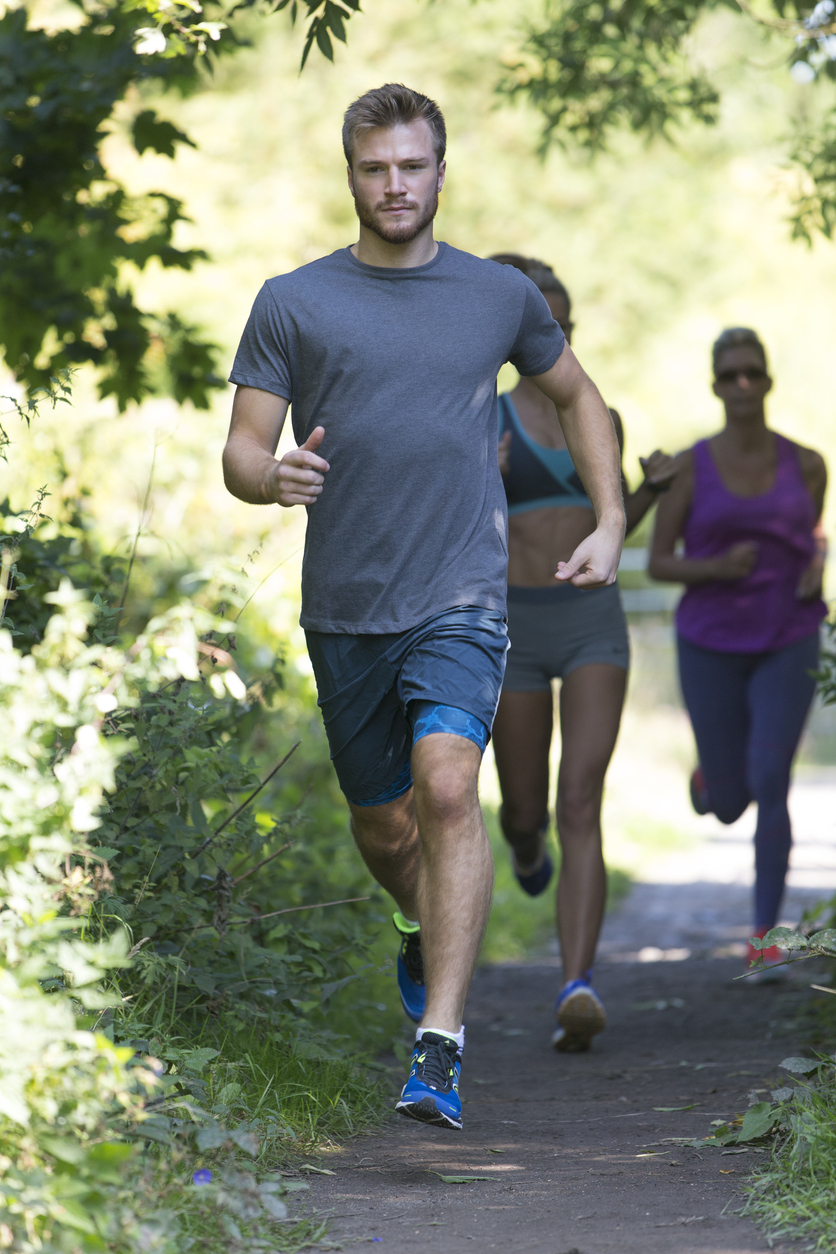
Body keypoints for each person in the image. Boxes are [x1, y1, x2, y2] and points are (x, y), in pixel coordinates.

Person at [222, 83, 625, 1131]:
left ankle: (438, 1044)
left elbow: (577, 397)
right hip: (347, 603)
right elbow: (241, 447)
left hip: (460, 592)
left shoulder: (495, 296)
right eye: (373, 167)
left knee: (448, 789)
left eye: (411, 166)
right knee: (381, 819)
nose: (393, 185)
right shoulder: (293, 300)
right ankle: (416, 920)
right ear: (349, 173)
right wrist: (271, 480)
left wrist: (611, 521)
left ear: (441, 171)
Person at [489, 255, 676, 1050]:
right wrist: (480, 482)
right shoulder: (482, 416)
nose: (552, 331)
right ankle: (523, 845)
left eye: (562, 319)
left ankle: (577, 985)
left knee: (582, 801)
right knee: (528, 810)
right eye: (540, 318)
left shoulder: (598, 412)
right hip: (515, 627)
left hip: (591, 622)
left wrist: (649, 495)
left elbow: (610, 528)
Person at [649, 328, 827, 973]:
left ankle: (764, 937)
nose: (743, 384)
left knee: (771, 780)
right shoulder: (693, 467)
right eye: (731, 375)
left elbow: (811, 539)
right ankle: (709, 780)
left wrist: (817, 567)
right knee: (729, 803)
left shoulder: (807, 463)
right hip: (710, 640)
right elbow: (662, 563)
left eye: (753, 372)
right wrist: (720, 568)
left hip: (788, 634)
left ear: (770, 380)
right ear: (716, 386)